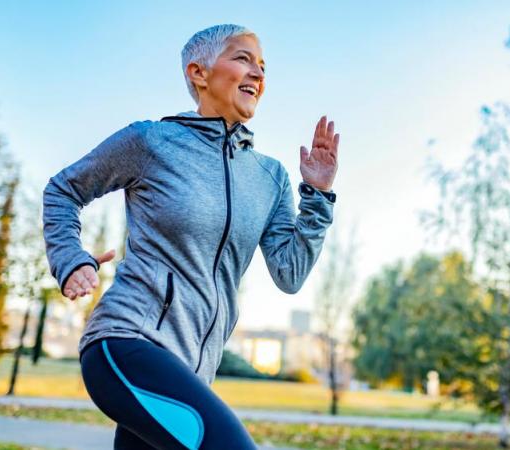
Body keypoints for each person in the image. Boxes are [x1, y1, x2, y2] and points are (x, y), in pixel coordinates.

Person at [42, 24, 339, 449]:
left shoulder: (269, 177)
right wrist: (69, 258)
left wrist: (319, 196)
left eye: (263, 66)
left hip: (192, 372)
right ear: (199, 73)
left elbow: (289, 273)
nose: (257, 73)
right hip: (128, 342)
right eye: (242, 59)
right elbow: (63, 190)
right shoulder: (152, 142)